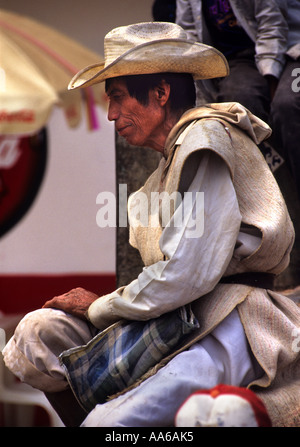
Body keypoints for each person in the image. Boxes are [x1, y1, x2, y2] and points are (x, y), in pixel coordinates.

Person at [3, 22, 300, 427]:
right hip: (174, 321)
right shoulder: (159, 174)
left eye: (119, 98)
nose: (111, 115)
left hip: (229, 323)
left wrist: (97, 306)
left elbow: (184, 275)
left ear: (160, 93)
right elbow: (169, 281)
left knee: (110, 424)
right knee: (38, 332)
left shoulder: (206, 139)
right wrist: (103, 309)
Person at [176, 0, 300, 191]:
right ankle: (268, 198)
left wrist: (270, 77)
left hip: (293, 48)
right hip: (240, 59)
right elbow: (188, 34)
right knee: (239, 106)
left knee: (287, 105)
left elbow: (272, 24)